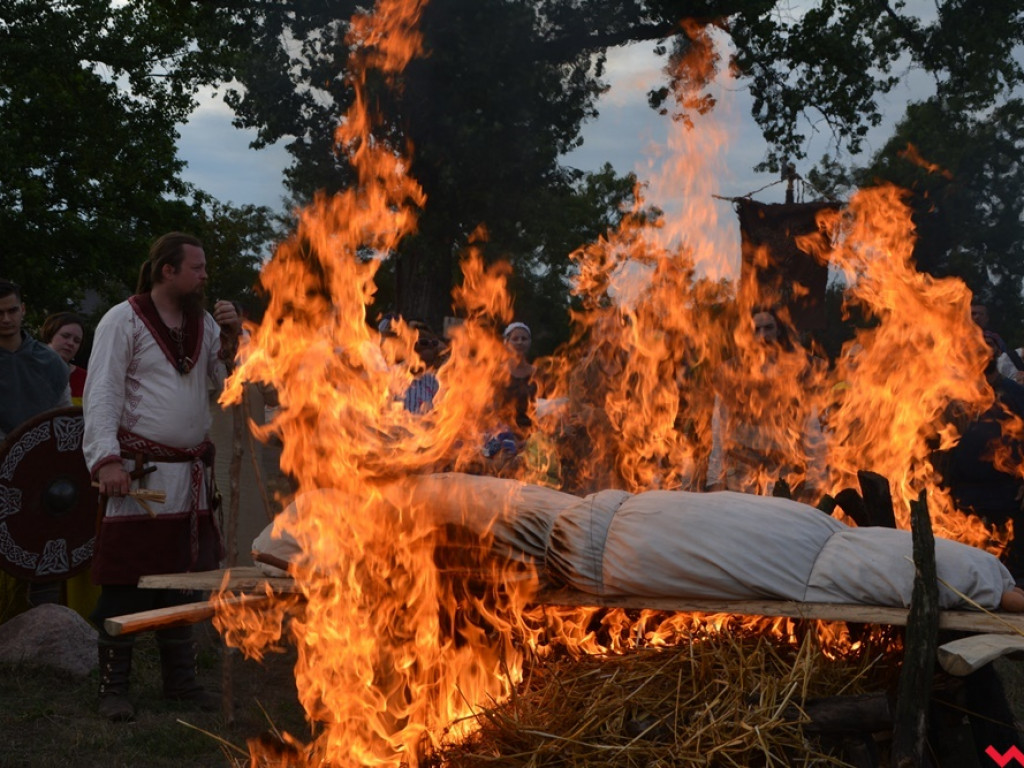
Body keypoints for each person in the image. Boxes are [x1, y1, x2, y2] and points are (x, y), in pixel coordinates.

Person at [83, 232, 240, 721]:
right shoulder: (122, 319)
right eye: (196, 267)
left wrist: (234, 340)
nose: (204, 275)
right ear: (167, 271)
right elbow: (101, 390)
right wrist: (106, 458)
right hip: (138, 478)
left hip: (189, 478)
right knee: (125, 582)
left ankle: (182, 684)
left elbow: (224, 382)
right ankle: (114, 688)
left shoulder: (205, 323)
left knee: (180, 583)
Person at [707, 307, 827, 500]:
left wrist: (815, 481)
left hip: (783, 474)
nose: (763, 335)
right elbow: (719, 430)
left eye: (768, 328)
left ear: (778, 330)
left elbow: (812, 432)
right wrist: (714, 480)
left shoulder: (797, 373)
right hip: (741, 476)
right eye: (757, 329)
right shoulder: (731, 373)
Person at [0, 280, 72, 441]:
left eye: (12, 311)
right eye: (0, 312)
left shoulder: (50, 360)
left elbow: (64, 413)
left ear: (23, 309)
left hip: (43, 453)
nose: (6, 319)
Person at [40, 311, 88, 404]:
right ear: (50, 334)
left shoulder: (87, 380)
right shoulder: (29, 369)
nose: (71, 343)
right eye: (65, 336)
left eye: (77, 341)